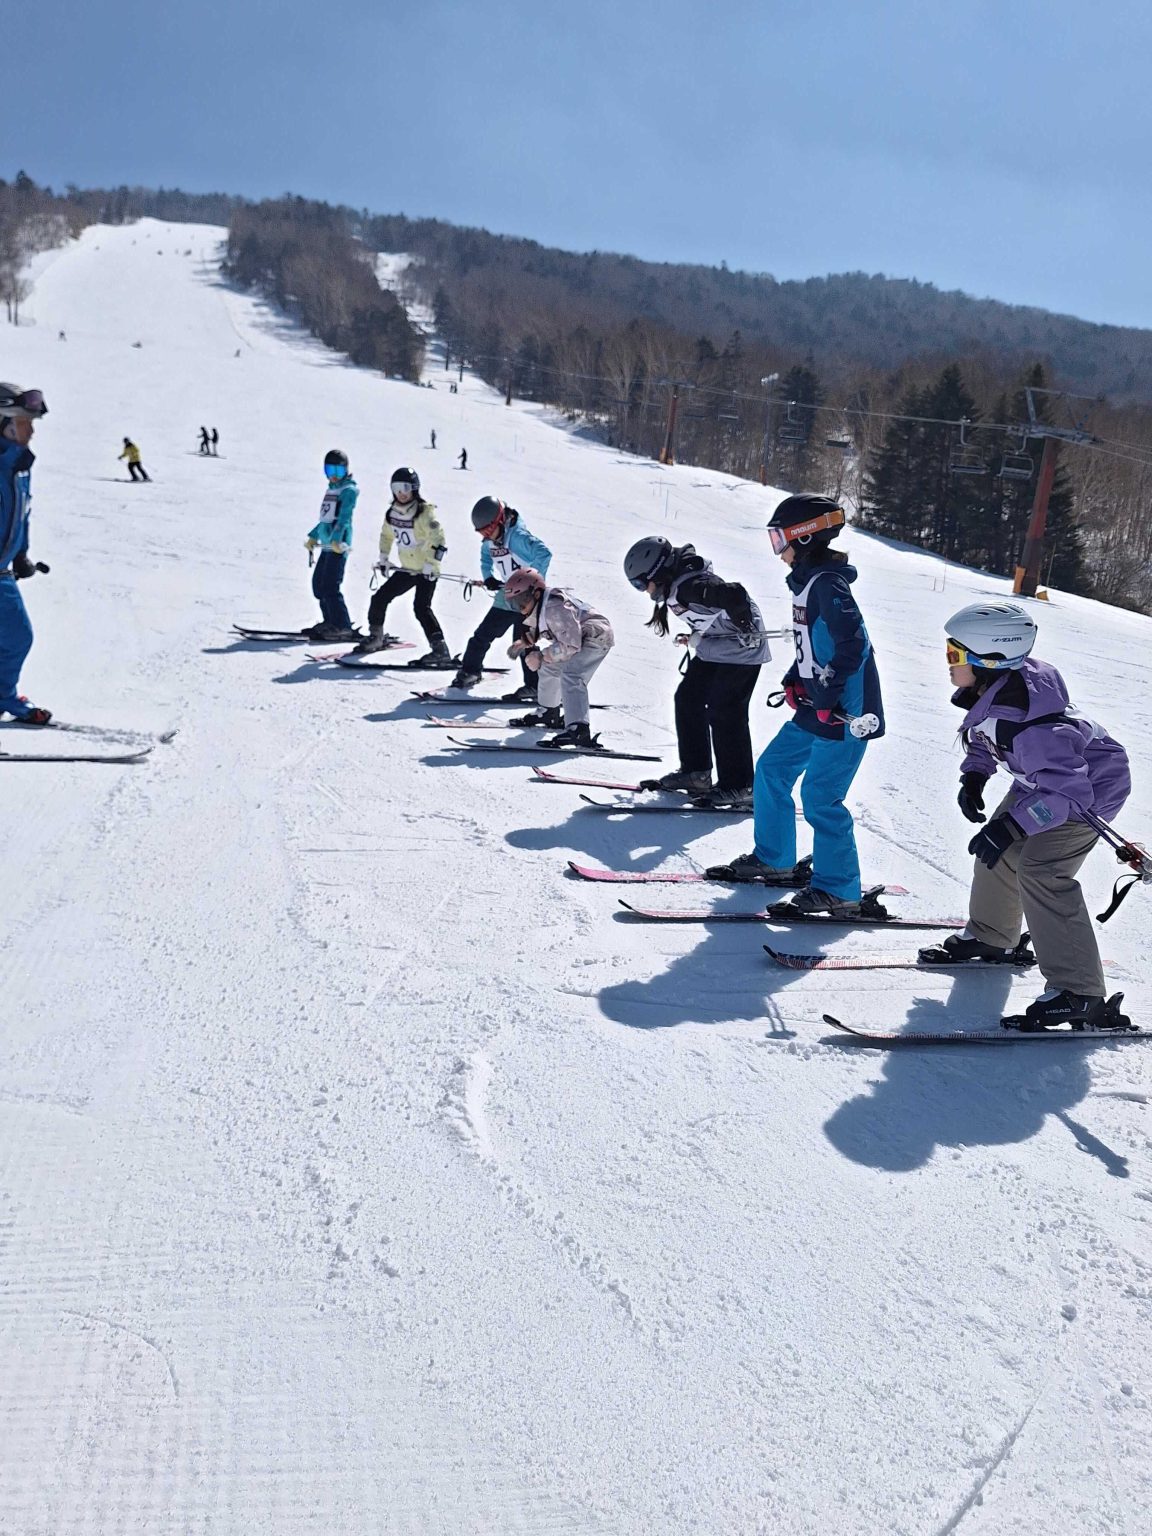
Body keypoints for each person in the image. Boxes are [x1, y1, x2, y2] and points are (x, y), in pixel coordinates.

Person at [917, 601, 1131, 1029]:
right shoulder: (995, 694)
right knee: (997, 851)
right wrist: (974, 775)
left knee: (1042, 871)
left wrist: (1013, 824)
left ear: (990, 660)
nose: (948, 662)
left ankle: (1081, 992)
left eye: (955, 654)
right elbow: (986, 736)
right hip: (1043, 782)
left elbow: (1068, 793)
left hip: (1087, 794)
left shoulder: (1035, 728)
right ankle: (993, 936)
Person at [706, 493, 884, 913]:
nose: (778, 549)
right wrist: (795, 677)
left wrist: (827, 691)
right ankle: (775, 858)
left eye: (779, 539)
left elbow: (853, 645)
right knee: (773, 769)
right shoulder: (809, 582)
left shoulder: (828, 584)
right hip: (819, 703)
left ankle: (838, 889)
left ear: (804, 537)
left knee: (821, 796)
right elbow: (813, 642)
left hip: (847, 710)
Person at [623, 537, 771, 808]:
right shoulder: (680, 586)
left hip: (742, 652)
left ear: (658, 572)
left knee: (725, 711)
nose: (643, 591)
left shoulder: (693, 586)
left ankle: (740, 785)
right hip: (716, 648)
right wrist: (695, 635)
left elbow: (735, 594)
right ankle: (696, 773)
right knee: (688, 699)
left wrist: (746, 626)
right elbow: (709, 614)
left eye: (641, 584)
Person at [451, 496, 552, 698]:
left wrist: (530, 579)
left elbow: (544, 553)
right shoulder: (490, 540)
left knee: (523, 642)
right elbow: (485, 557)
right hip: (507, 596)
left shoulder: (518, 537)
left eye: (488, 530)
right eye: (482, 532)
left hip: (528, 599)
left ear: (500, 521)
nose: (486, 536)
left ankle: (534, 686)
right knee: (482, 635)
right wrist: (488, 577)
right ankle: (470, 672)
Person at [503, 568, 614, 747]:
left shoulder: (554, 607)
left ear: (536, 593)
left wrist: (541, 655)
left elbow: (570, 645)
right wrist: (524, 642)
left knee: (572, 675)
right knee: (549, 667)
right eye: (515, 604)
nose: (521, 609)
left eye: (522, 601)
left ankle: (578, 730)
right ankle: (549, 712)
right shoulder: (543, 605)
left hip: (595, 637)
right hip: (581, 637)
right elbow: (549, 627)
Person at [354, 466, 450, 664]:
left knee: (421, 608)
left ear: (414, 488)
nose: (401, 493)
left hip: (426, 570)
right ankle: (376, 637)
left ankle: (440, 650)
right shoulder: (392, 514)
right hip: (407, 569)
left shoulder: (425, 513)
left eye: (405, 488)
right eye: (396, 488)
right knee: (379, 598)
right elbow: (386, 535)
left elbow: (438, 539)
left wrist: (432, 564)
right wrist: (383, 557)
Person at [0, 383, 52, 724]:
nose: (31, 431)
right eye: (23, 422)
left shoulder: (18, 466)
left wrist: (21, 555)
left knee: (18, 637)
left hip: (2, 570)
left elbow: (22, 514)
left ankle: (3, 695)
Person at [304, 449, 359, 643]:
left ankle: (342, 625)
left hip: (338, 546)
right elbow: (325, 519)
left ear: (346, 470)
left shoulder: (348, 491)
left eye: (338, 471)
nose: (334, 475)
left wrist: (336, 539)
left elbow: (344, 519)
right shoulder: (332, 490)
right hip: (328, 545)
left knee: (330, 586)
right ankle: (330, 621)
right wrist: (314, 536)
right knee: (319, 586)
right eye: (329, 470)